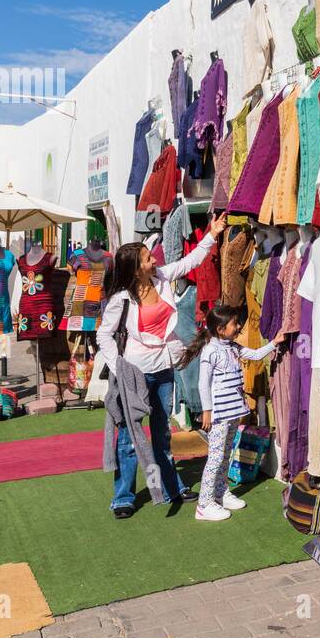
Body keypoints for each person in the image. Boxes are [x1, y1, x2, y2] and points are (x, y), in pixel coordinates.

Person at [98, 213, 226, 517]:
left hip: (164, 370)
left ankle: (169, 486)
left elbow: (191, 261)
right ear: (135, 268)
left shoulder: (163, 278)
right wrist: (118, 367)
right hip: (134, 373)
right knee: (130, 437)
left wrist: (212, 233)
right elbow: (103, 333)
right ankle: (124, 497)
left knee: (162, 434)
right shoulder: (122, 298)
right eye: (146, 259)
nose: (153, 260)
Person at [177, 302, 276, 521]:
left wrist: (275, 343)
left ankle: (220, 492)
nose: (239, 326)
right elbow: (203, 384)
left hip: (233, 413)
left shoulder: (233, 347)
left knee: (225, 454)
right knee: (215, 457)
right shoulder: (211, 351)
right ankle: (204, 504)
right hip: (220, 415)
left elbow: (257, 355)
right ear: (221, 329)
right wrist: (207, 411)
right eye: (234, 324)